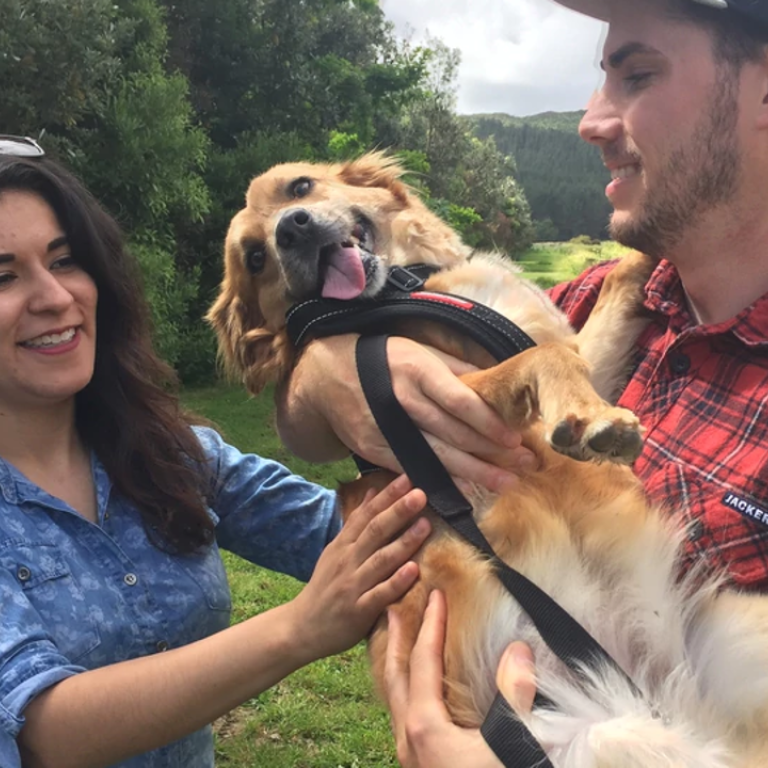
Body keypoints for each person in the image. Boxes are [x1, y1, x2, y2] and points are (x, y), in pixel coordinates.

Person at [276, 0, 768, 764]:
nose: (591, 121)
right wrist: (336, 369)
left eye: (637, 75)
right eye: (599, 80)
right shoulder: (596, 300)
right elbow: (298, 419)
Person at [0, 145, 437, 768]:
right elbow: (46, 725)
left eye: (65, 260)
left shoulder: (170, 453)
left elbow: (346, 535)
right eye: (3, 275)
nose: (53, 297)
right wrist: (300, 628)